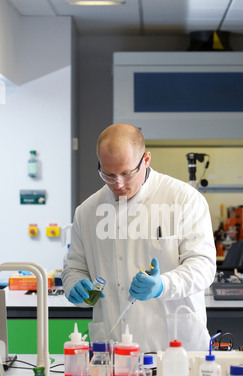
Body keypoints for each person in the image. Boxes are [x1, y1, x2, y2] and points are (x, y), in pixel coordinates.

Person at [62, 123, 216, 352]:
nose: (118, 184)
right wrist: (74, 284)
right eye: (108, 175)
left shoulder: (183, 200)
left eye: (126, 173)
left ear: (146, 160)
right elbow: (74, 268)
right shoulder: (87, 212)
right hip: (113, 349)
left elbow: (203, 266)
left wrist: (162, 284)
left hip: (174, 347)